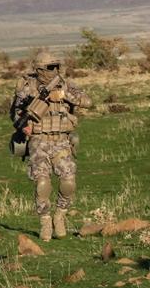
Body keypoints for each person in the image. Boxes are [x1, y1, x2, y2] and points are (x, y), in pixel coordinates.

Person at [10, 51, 93, 240]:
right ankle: (45, 220)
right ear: (39, 68)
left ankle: (60, 215)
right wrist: (24, 127)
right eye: (49, 67)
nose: (54, 70)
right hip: (39, 141)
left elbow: (88, 101)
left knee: (69, 181)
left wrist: (63, 96)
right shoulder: (27, 87)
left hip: (62, 140)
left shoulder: (65, 84)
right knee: (42, 183)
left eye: (56, 66)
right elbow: (16, 112)